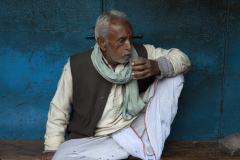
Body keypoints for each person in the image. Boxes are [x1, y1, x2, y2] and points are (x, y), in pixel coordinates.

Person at [42, 10, 191, 160]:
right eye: (121, 40)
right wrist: (52, 147)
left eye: (130, 38)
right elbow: (59, 108)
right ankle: (135, 151)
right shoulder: (77, 64)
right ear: (102, 43)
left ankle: (140, 146)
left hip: (133, 129)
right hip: (92, 139)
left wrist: (157, 66)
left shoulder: (142, 53)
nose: (128, 46)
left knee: (173, 76)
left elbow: (182, 59)